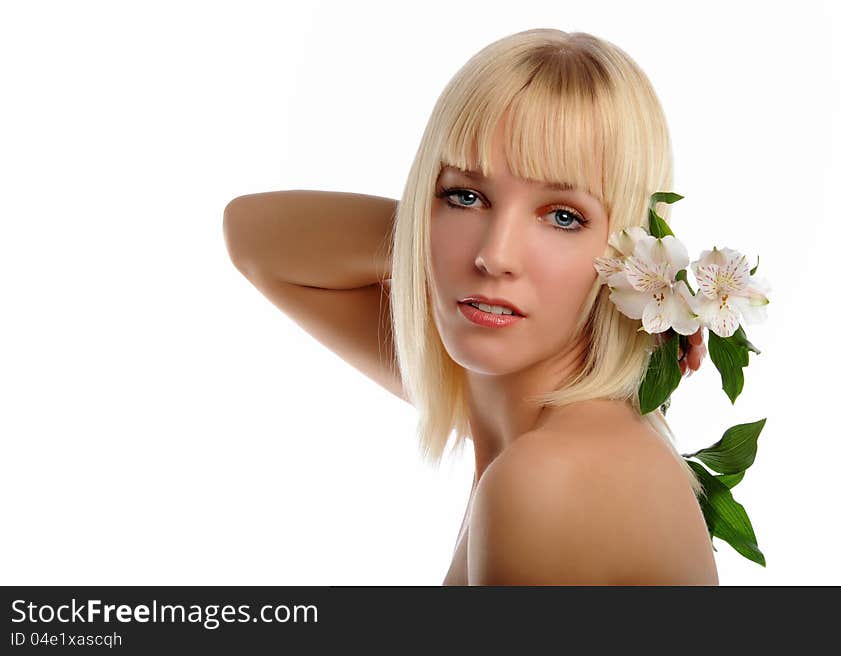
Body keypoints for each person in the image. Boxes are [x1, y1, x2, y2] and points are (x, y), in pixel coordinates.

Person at [223, 28, 716, 586]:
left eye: (562, 216)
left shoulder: (548, 478)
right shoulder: (507, 404)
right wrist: (420, 241)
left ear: (630, 250)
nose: (494, 256)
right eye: (464, 196)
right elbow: (252, 237)